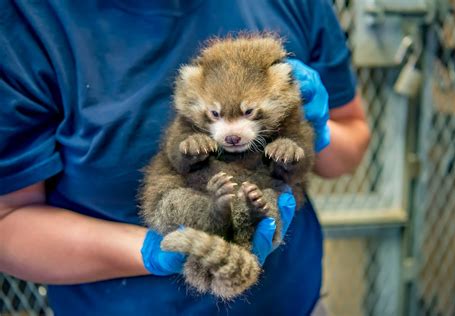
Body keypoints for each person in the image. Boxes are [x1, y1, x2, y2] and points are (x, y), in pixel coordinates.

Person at [0, 1, 370, 315]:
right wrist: (150, 252)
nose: (233, 133)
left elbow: (350, 140)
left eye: (248, 114)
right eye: (215, 117)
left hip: (291, 299)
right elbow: (8, 219)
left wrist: (313, 134)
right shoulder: (26, 22)